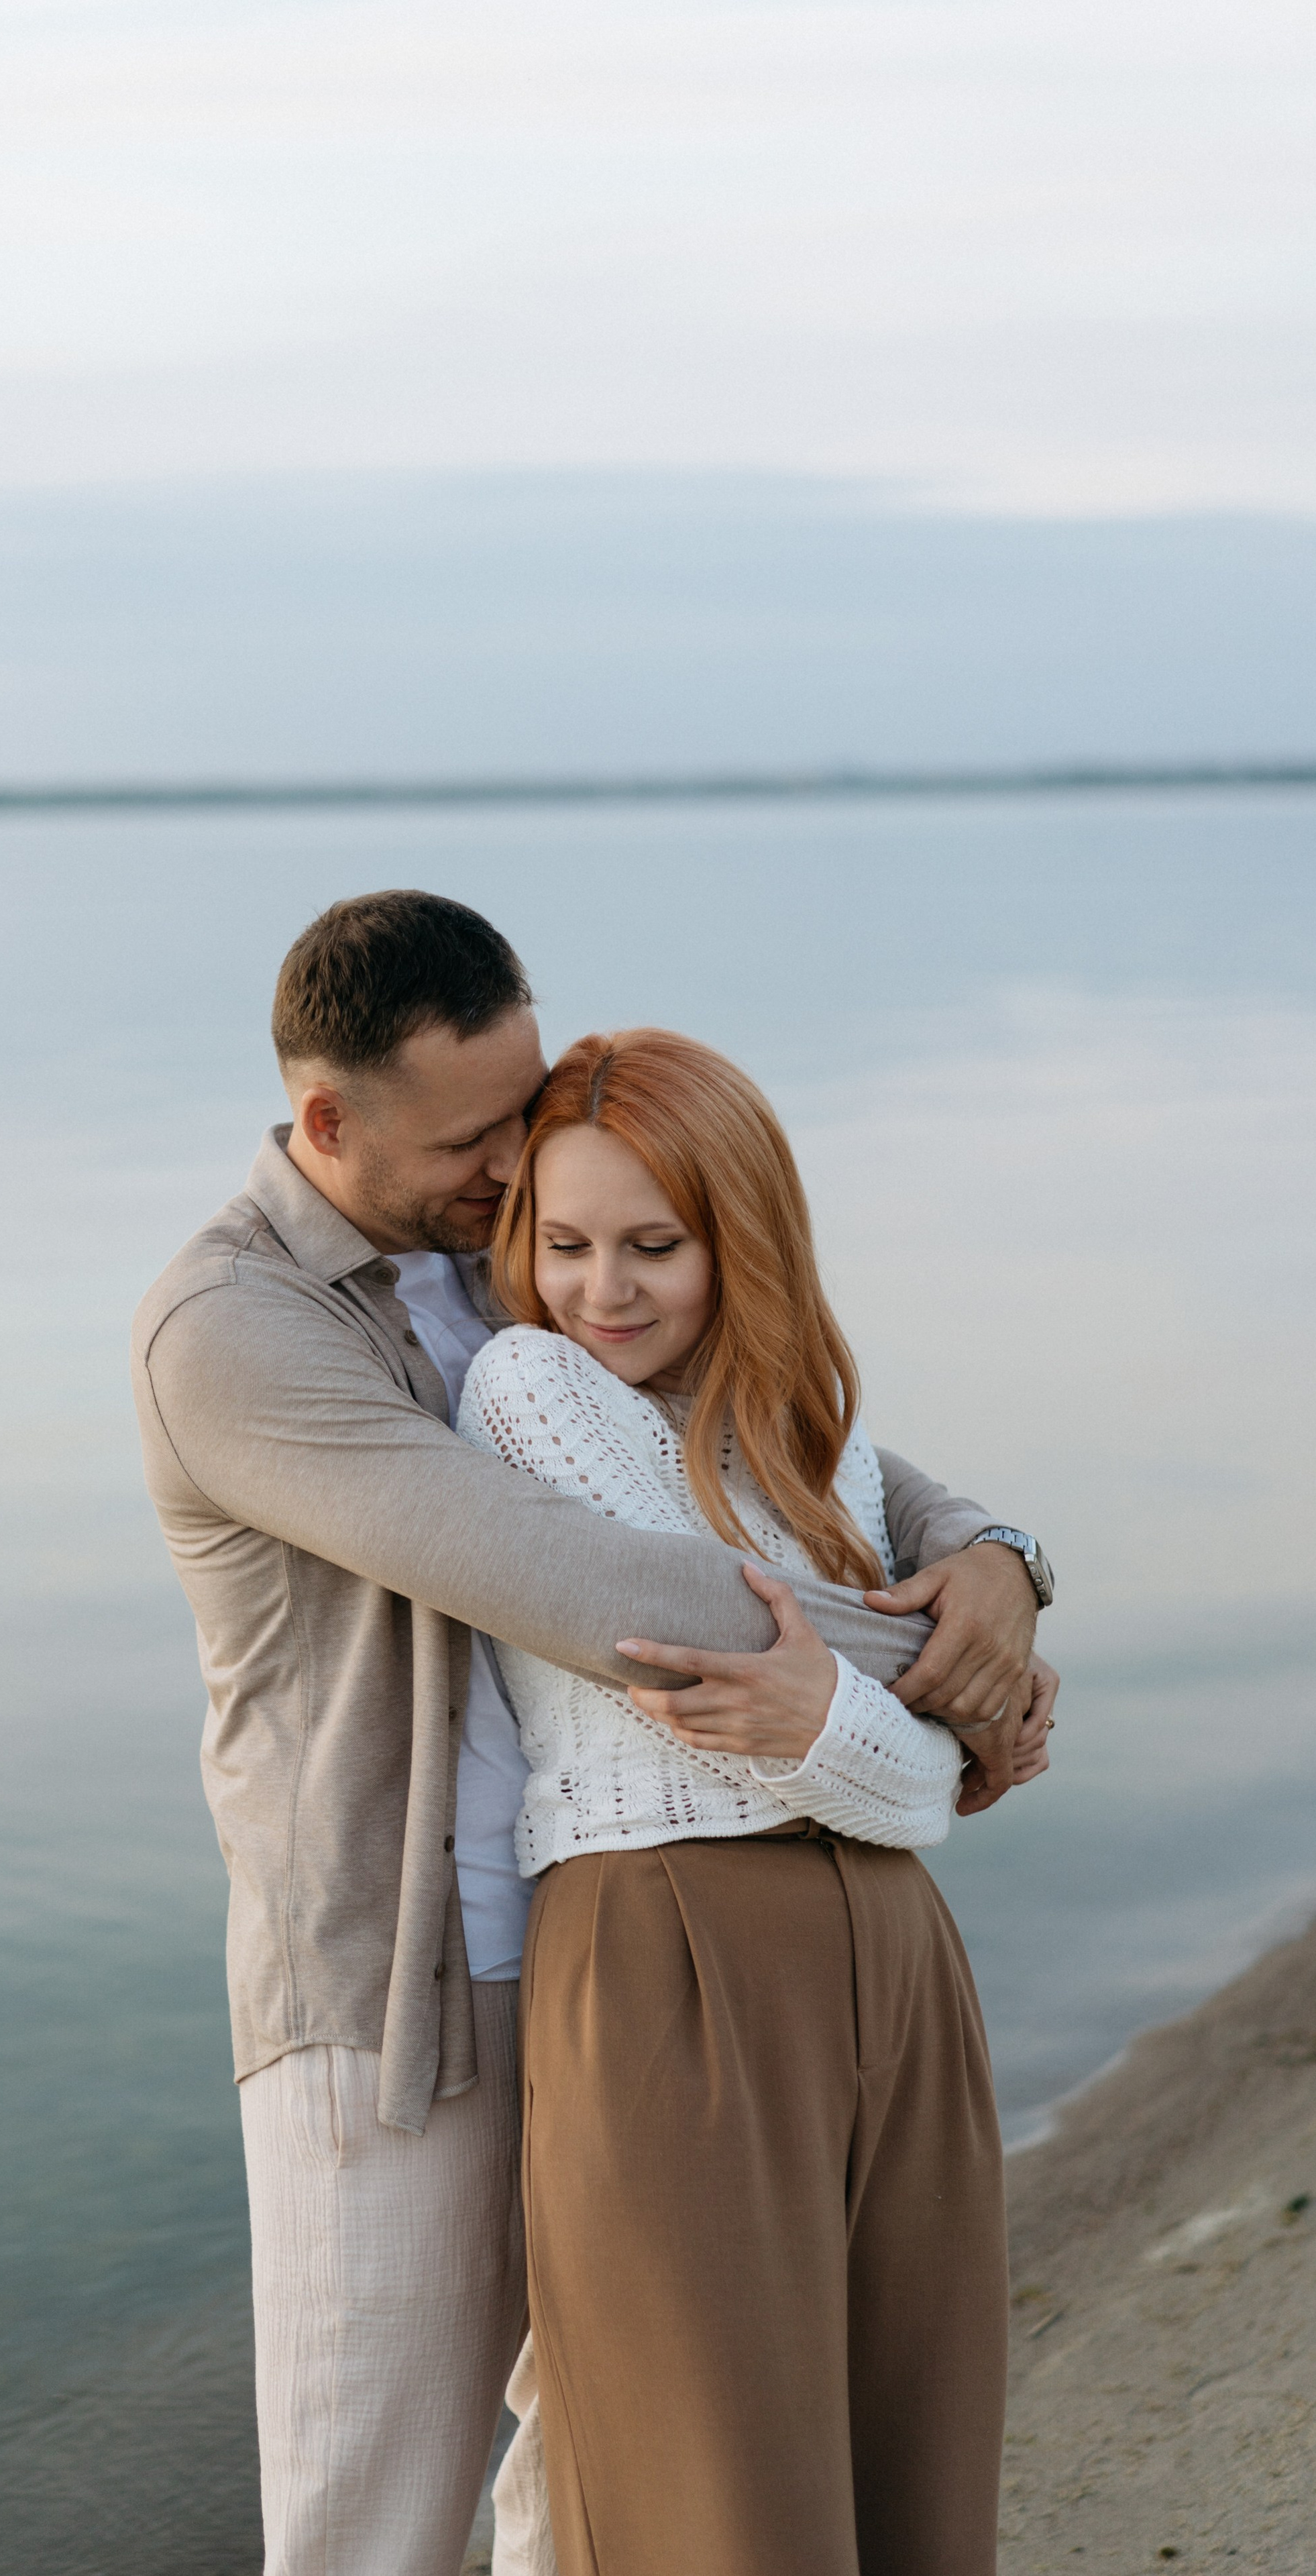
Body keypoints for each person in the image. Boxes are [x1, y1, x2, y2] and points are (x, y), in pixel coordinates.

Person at [130, 892, 1054, 2576]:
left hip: (592, 1930)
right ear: (329, 1121)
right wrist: (932, 1692)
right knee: (371, 2518)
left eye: (527, 1101)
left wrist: (997, 1560)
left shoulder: (519, 1251)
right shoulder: (236, 1331)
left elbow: (793, 1448)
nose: (520, 1159)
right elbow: (617, 1595)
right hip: (392, 1987)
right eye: (477, 1134)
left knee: (597, 2486)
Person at [456, 1024, 1054, 2576]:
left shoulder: (819, 1439)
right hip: (666, 1951)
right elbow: (712, 1663)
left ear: (745, 1239)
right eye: (567, 1242)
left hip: (897, 1960)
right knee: (718, 2510)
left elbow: (876, 1752)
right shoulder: (527, 1388)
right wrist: (942, 1723)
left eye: (655, 1245)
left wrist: (886, 1711)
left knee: (920, 2473)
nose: (604, 1291)